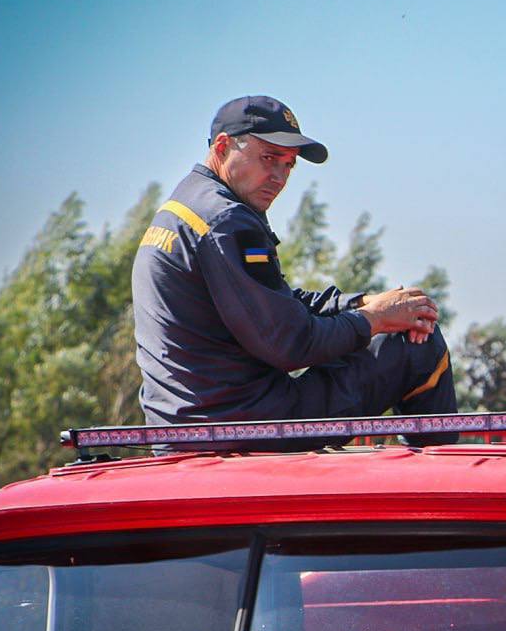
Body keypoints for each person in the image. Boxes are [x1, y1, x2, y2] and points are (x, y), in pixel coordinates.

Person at [131, 95, 456, 447]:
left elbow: (276, 303)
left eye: (289, 165)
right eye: (269, 158)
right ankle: (444, 495)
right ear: (223, 147)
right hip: (246, 427)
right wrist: (374, 320)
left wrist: (362, 303)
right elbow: (291, 344)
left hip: (184, 424)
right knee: (414, 345)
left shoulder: (186, 206)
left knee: (397, 324)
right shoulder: (228, 220)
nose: (279, 177)